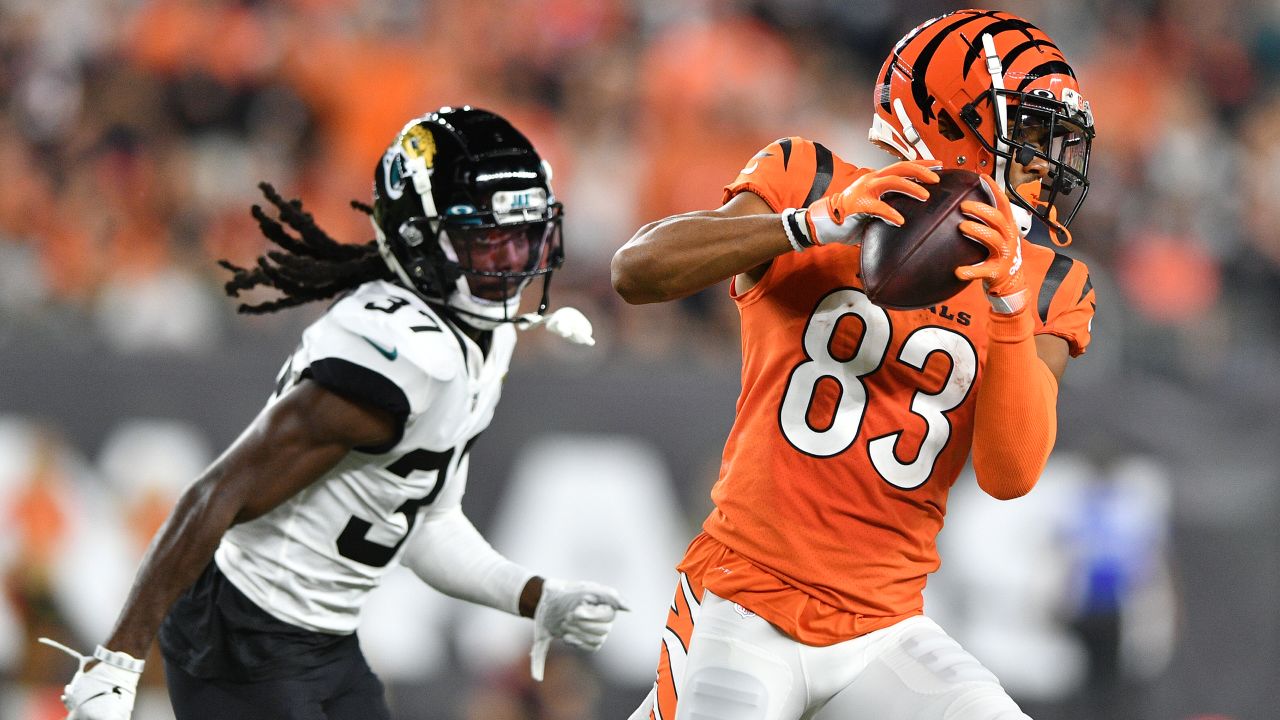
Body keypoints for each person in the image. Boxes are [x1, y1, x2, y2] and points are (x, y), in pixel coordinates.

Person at [41, 106, 625, 720]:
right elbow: (219, 492)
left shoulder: (480, 340)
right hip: (242, 635)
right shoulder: (401, 359)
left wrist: (534, 596)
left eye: (523, 235)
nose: (512, 260)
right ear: (419, 240)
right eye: (486, 239)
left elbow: (427, 523)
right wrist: (117, 660)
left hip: (321, 639)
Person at [612, 9, 1096, 720]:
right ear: (950, 119)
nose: (1041, 160)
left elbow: (1010, 474)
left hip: (883, 627)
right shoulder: (807, 179)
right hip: (745, 600)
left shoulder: (1049, 282)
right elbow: (636, 271)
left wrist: (1012, 303)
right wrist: (809, 225)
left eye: (1051, 138)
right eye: (1025, 132)